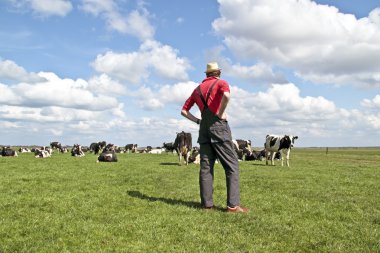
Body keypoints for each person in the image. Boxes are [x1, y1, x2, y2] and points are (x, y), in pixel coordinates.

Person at [181, 62, 249, 213]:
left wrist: (198, 121)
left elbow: (184, 111)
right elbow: (226, 95)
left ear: (206, 74)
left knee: (206, 168)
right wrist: (220, 112)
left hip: (203, 129)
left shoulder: (197, 90)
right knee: (232, 166)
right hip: (219, 127)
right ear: (218, 73)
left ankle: (207, 205)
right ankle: (233, 206)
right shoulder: (222, 83)